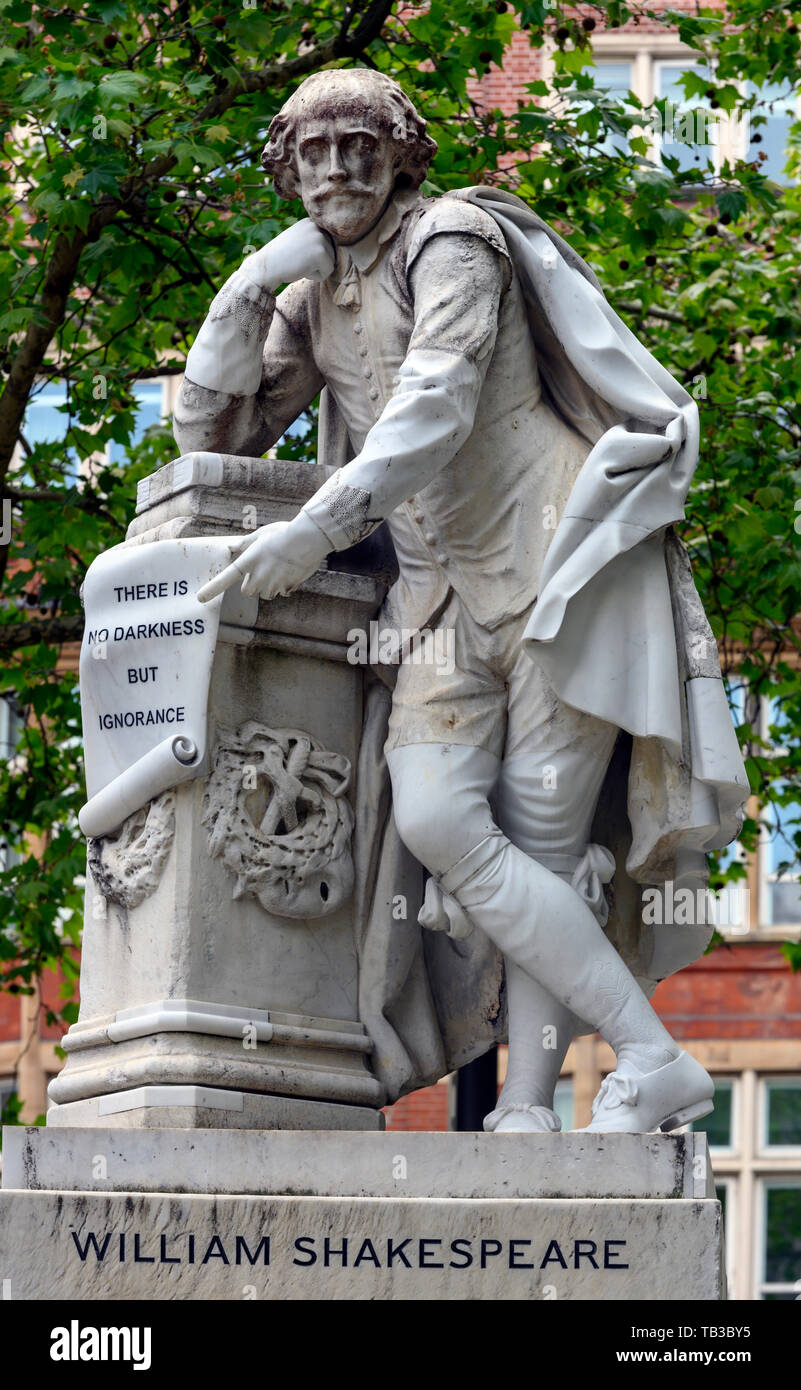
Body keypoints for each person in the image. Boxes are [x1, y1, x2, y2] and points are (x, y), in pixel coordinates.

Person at [174, 68, 747, 1134]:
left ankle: (526, 1111)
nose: (339, 166)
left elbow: (435, 399)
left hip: (560, 569)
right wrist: (250, 284)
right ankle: (651, 1053)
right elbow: (213, 438)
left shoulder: (453, 240)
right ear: (289, 168)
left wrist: (317, 529)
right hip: (435, 599)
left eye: (361, 144)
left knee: (538, 844)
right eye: (315, 150)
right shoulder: (312, 293)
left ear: (401, 154)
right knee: (439, 817)